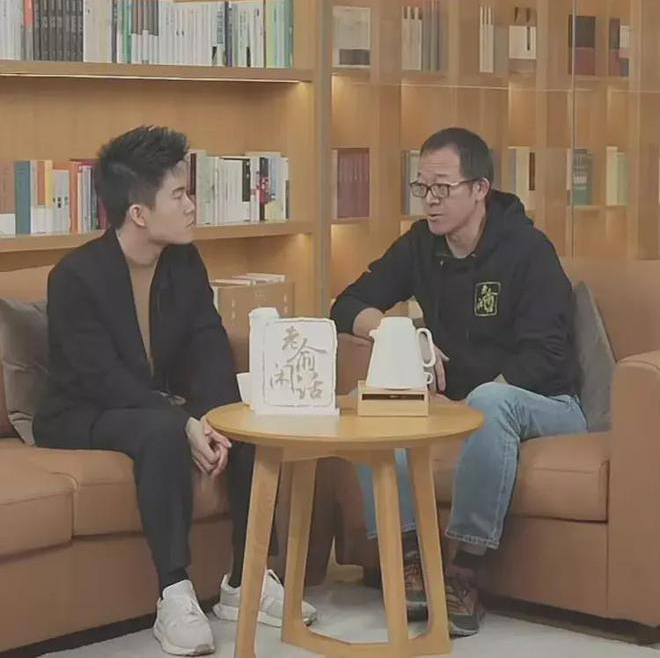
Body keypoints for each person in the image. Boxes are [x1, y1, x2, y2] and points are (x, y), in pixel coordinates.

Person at [33, 125, 316, 656]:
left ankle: (248, 578)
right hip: (83, 411)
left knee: (245, 424)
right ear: (139, 213)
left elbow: (209, 343)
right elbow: (101, 378)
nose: (191, 206)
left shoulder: (183, 261)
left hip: (155, 406)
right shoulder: (75, 277)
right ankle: (175, 592)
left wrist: (213, 418)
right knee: (162, 432)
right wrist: (183, 423)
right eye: (180, 195)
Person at [330, 127, 586, 637]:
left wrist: (466, 408)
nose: (430, 200)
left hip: (547, 402)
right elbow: (347, 304)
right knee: (372, 405)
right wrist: (400, 334)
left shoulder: (528, 250)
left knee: (491, 401)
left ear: (479, 189)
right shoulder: (421, 245)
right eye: (422, 187)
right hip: (459, 403)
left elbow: (543, 357)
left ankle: (465, 569)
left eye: (443, 188)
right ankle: (409, 562)